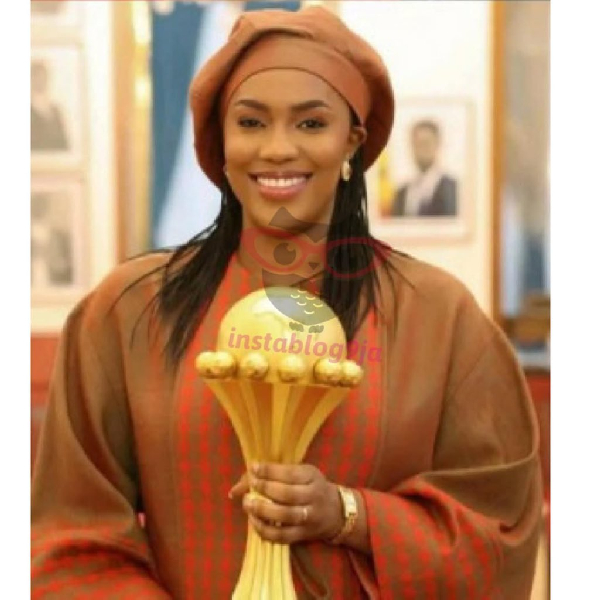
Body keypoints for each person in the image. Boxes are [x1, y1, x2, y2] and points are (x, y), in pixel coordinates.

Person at [31, 7, 542, 599]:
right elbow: (73, 538)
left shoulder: (440, 318)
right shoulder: (129, 311)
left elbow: (495, 531)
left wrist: (349, 515)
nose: (276, 149)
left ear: (352, 141)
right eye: (251, 122)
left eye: (310, 123)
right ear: (220, 141)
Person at [391, 120, 458, 217]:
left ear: (437, 145)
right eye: (417, 144)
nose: (421, 150)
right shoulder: (402, 194)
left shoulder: (453, 190)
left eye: (426, 143)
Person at [31, 60, 69, 152]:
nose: (41, 81)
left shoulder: (56, 110)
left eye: (44, 77)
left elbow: (64, 145)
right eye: (37, 77)